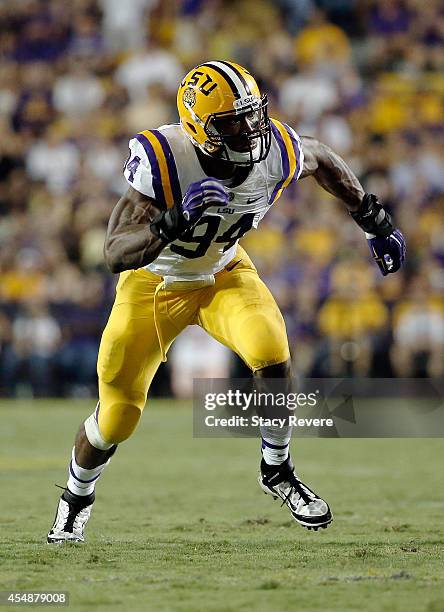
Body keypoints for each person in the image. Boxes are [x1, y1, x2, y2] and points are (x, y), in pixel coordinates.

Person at [47, 60, 405, 543]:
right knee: (116, 417)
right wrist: (172, 221)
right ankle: (75, 500)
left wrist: (372, 217)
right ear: (200, 127)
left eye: (251, 114)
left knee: (271, 349)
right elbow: (114, 252)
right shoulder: (166, 157)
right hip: (154, 285)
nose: (250, 129)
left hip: (223, 273)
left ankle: (276, 469)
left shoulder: (273, 148)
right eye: (232, 121)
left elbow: (320, 158)